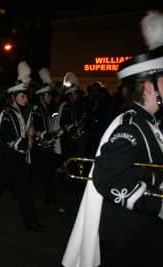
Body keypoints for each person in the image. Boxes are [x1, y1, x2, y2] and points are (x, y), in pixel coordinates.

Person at [62, 10, 163, 267]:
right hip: (128, 235)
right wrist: (154, 201)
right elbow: (106, 176)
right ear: (149, 86)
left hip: (144, 233)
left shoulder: (150, 124)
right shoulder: (131, 126)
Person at [0, 61, 47, 232]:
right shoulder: (7, 114)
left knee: (25, 192)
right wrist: (24, 142)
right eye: (22, 96)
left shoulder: (19, 113)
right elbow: (7, 140)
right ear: (14, 96)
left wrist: (28, 137)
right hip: (8, 160)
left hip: (17, 160)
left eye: (26, 95)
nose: (25, 98)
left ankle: (30, 222)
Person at [30, 68, 62, 205]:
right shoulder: (36, 110)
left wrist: (54, 133)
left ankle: (52, 198)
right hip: (38, 147)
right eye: (48, 95)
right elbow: (30, 128)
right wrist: (42, 133)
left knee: (49, 172)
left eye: (50, 95)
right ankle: (15, 187)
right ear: (42, 96)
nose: (50, 97)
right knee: (31, 172)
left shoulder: (47, 110)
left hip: (47, 147)